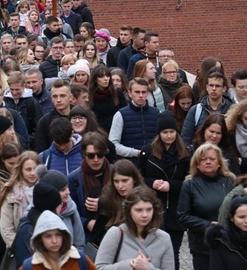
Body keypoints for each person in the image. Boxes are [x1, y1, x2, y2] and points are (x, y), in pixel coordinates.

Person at [137, 112, 190, 269]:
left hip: (175, 209)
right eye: (165, 132)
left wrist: (171, 185)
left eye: (172, 132)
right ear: (159, 133)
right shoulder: (147, 152)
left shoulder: (186, 153)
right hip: (153, 209)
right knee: (151, 253)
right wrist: (152, 183)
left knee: (173, 253)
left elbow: (189, 181)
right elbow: (138, 177)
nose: (168, 136)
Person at [177, 143, 236, 270]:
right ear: (197, 164)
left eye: (212, 159)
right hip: (201, 244)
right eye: (203, 159)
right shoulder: (189, 184)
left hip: (228, 242)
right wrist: (208, 225)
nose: (208, 162)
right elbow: (183, 216)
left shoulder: (230, 181)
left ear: (219, 162)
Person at [94, 186, 175, 270]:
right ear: (129, 211)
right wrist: (130, 264)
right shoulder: (115, 233)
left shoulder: (164, 238)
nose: (145, 215)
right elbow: (99, 268)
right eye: (139, 210)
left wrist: (147, 268)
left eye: (149, 209)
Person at [67, 132, 113, 243]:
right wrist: (86, 223)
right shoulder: (74, 178)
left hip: (113, 233)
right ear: (84, 155)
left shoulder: (115, 173)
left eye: (100, 155)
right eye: (91, 155)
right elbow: (68, 212)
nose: (96, 160)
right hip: (87, 237)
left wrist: (103, 205)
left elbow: (128, 204)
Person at [25, 211, 96, 270]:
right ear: (40, 238)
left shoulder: (80, 259)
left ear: (64, 235)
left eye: (58, 235)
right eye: (48, 236)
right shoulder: (30, 266)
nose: (54, 241)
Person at [0, 151, 41, 248]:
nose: (32, 173)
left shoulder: (47, 189)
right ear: (21, 170)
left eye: (35, 169)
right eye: (28, 169)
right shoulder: (11, 192)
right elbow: (6, 228)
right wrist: (20, 247)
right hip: (20, 247)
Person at [109, 78, 160, 159]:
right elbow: (113, 144)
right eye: (137, 92)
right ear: (130, 93)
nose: (141, 95)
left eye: (143, 92)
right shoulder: (120, 115)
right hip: (130, 164)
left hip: (152, 162)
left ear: (147, 93)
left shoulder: (156, 113)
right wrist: (136, 153)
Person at [182, 68, 234, 146]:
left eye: (217, 86)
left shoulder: (232, 111)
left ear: (224, 89)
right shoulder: (196, 110)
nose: (213, 89)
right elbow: (186, 139)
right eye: (211, 85)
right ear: (207, 87)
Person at [87, 66, 125, 133]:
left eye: (107, 76)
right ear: (95, 79)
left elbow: (124, 112)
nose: (106, 79)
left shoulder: (117, 93)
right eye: (101, 77)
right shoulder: (90, 96)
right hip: (99, 132)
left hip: (117, 130)